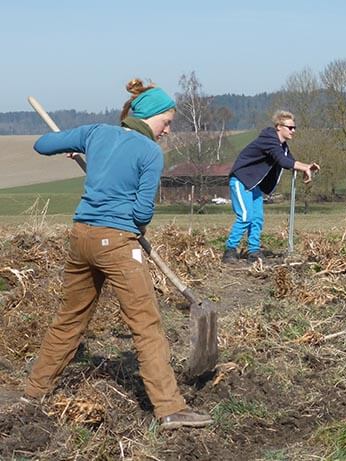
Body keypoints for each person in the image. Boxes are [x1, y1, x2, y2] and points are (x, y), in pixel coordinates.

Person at [25, 79, 212, 429]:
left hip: (82, 238)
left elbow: (41, 144)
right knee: (146, 325)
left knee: (70, 319)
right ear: (150, 116)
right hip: (118, 245)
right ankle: (170, 407)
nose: (168, 130)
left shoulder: (96, 133)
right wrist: (131, 225)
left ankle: (33, 392)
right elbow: (142, 214)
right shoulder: (150, 152)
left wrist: (82, 150)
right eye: (166, 122)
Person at [223, 111, 319, 263]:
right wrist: (303, 167)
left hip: (254, 184)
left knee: (257, 218)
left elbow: (290, 161)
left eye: (295, 127)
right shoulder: (269, 140)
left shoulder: (282, 146)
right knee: (246, 216)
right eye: (290, 127)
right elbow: (282, 161)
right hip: (241, 180)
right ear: (279, 127)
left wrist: (306, 169)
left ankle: (253, 251)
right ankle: (230, 250)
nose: (293, 130)